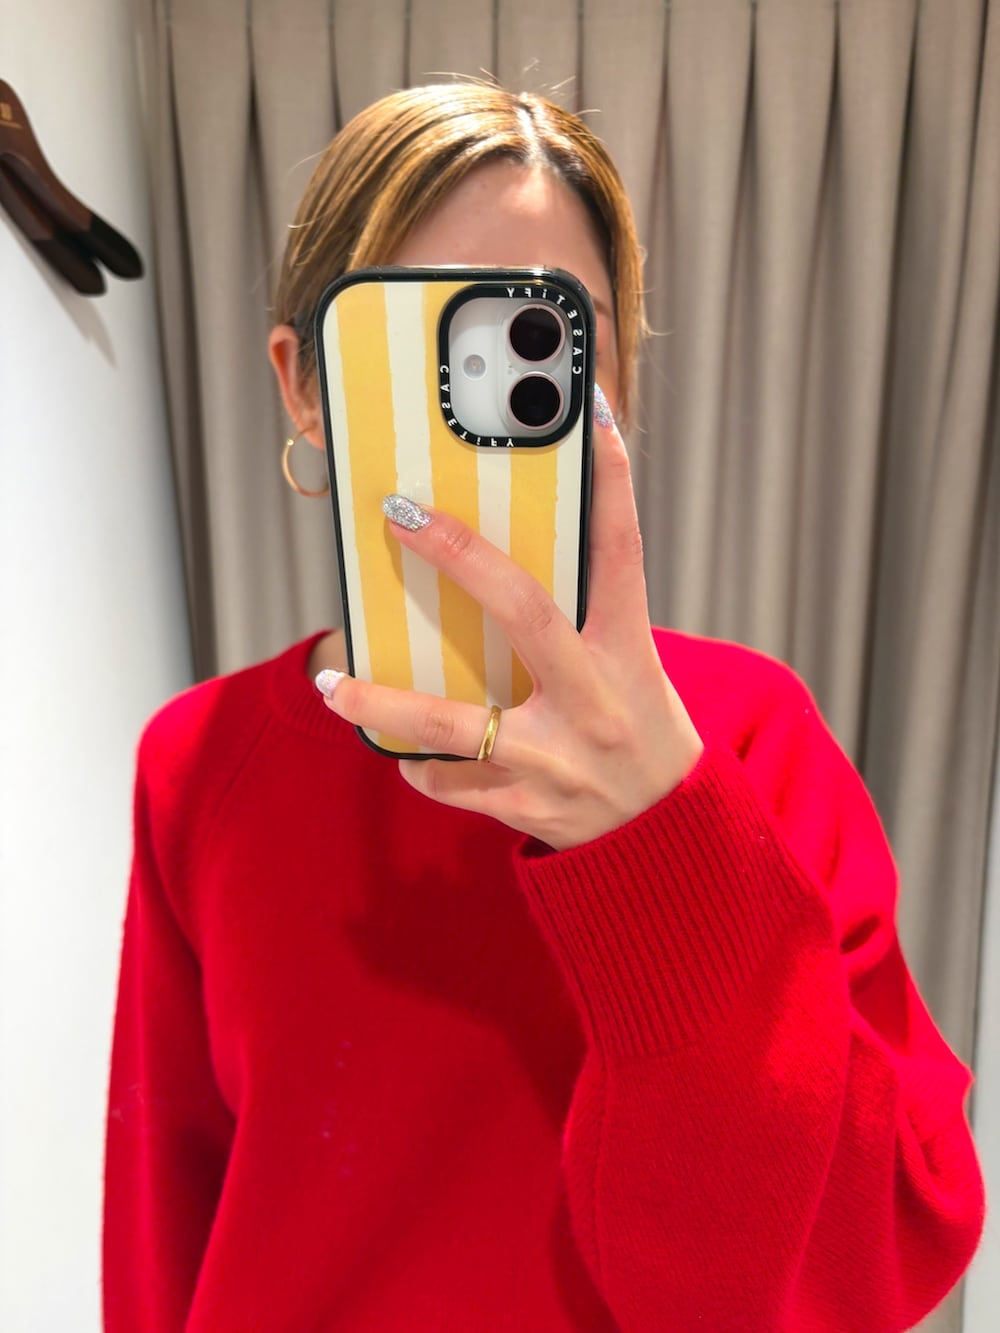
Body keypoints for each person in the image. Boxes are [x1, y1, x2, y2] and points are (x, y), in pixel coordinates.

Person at [103, 83, 984, 1332]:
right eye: (415, 336)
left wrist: (665, 840)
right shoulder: (200, 761)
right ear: (304, 386)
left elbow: (873, 1257)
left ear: (613, 381)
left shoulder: (745, 733)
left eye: (545, 336)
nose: (480, 399)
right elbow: (163, 1221)